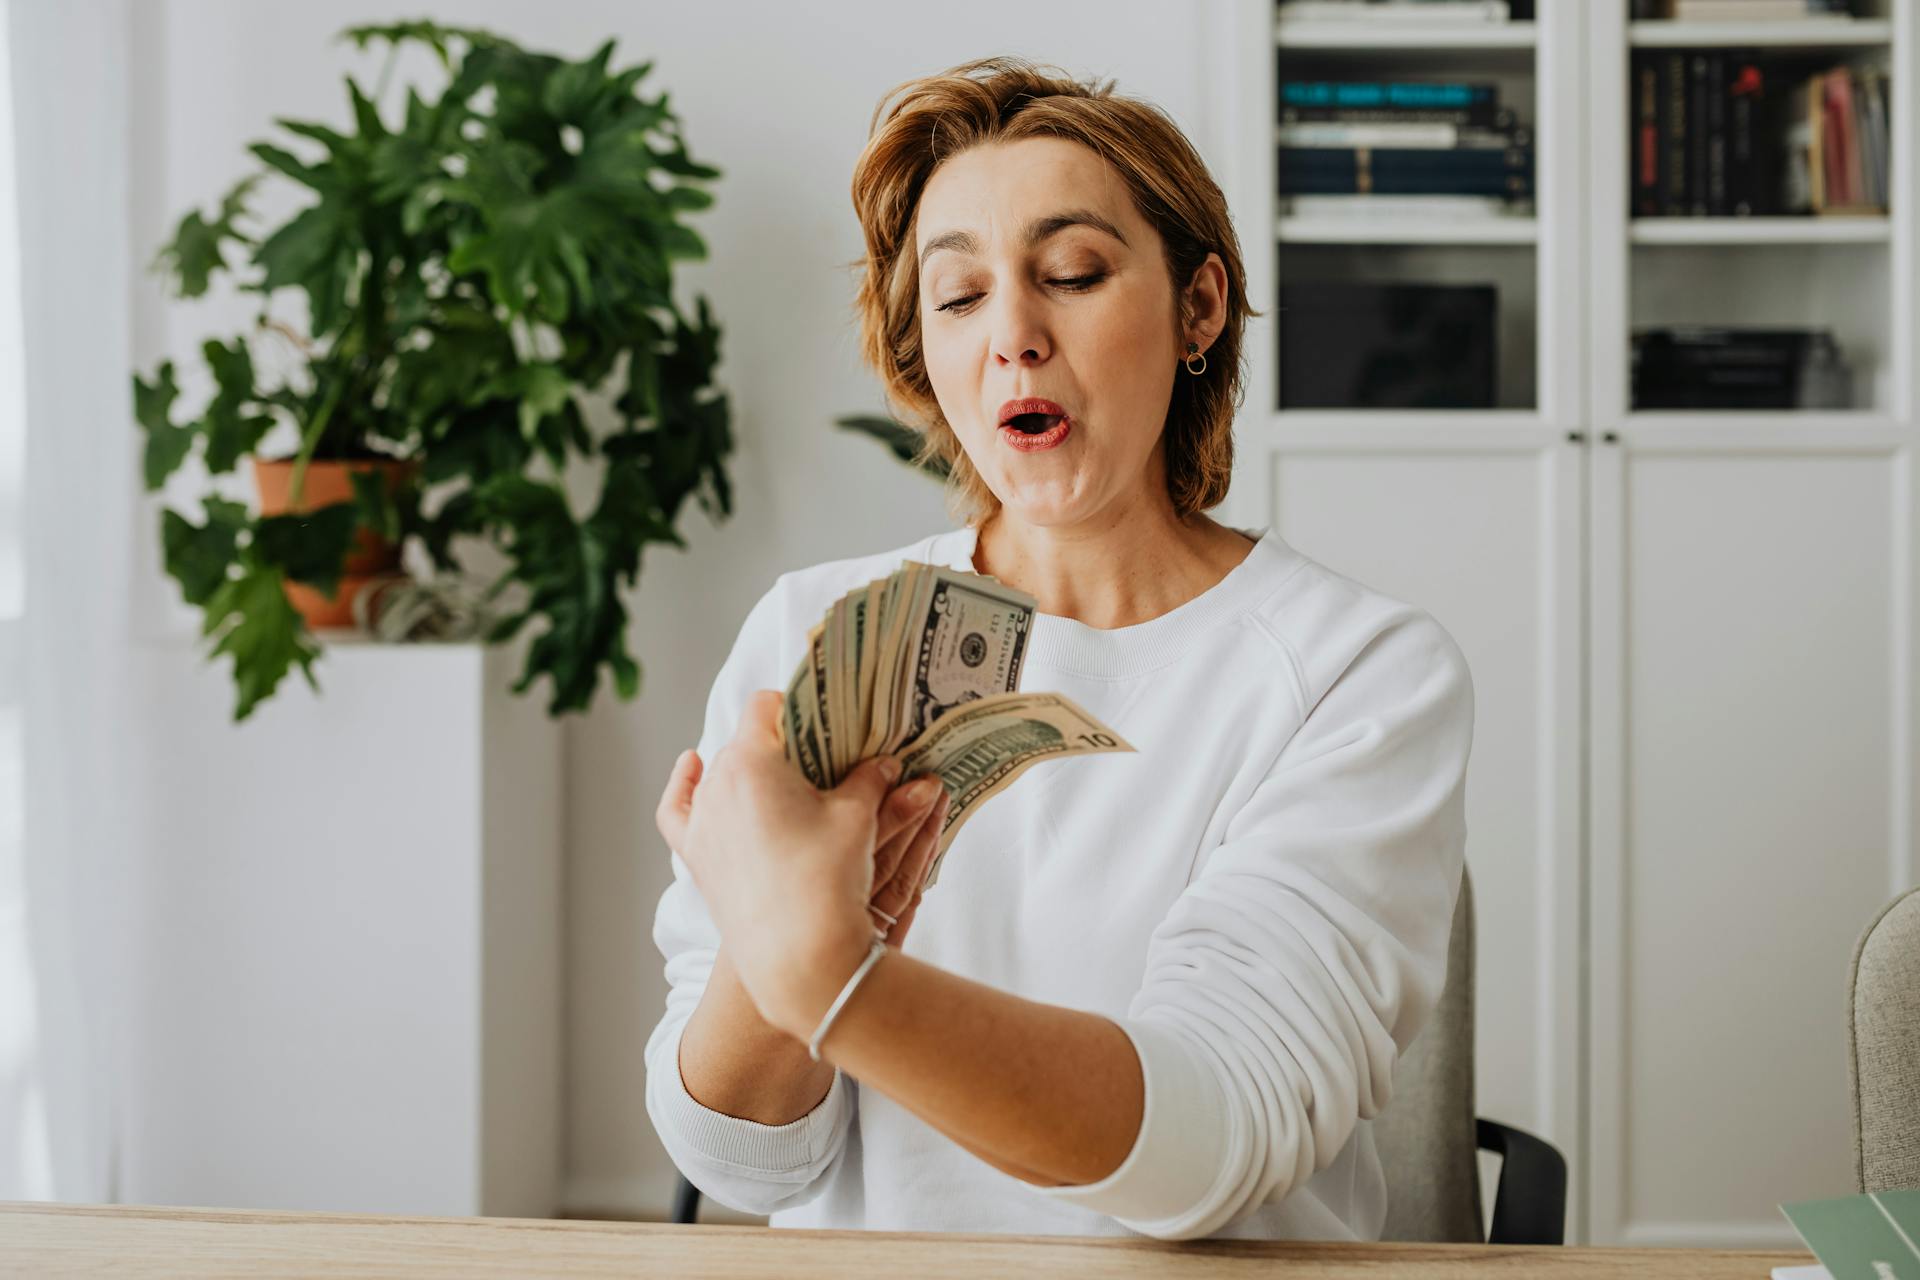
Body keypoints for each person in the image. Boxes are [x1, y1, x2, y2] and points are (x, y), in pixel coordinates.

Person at [643, 55, 1474, 1243]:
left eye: (1073, 272)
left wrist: (825, 973)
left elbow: (1212, 1142)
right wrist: (772, 975)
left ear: (1200, 307)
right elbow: (738, 1155)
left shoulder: (1356, 668)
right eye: (959, 296)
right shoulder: (807, 633)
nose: (1015, 336)